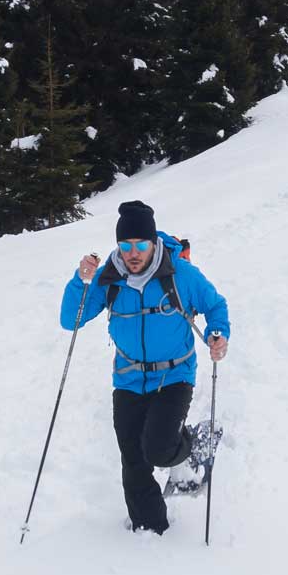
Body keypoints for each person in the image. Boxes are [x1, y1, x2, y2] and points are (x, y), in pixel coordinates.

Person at [61, 200, 229, 535]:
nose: (133, 253)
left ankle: (189, 449)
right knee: (133, 455)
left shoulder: (180, 274)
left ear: (153, 243)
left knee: (158, 448)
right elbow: (71, 320)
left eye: (140, 245)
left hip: (174, 374)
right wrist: (80, 282)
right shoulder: (108, 278)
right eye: (126, 246)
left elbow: (215, 305)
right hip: (128, 378)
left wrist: (218, 334)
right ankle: (150, 527)